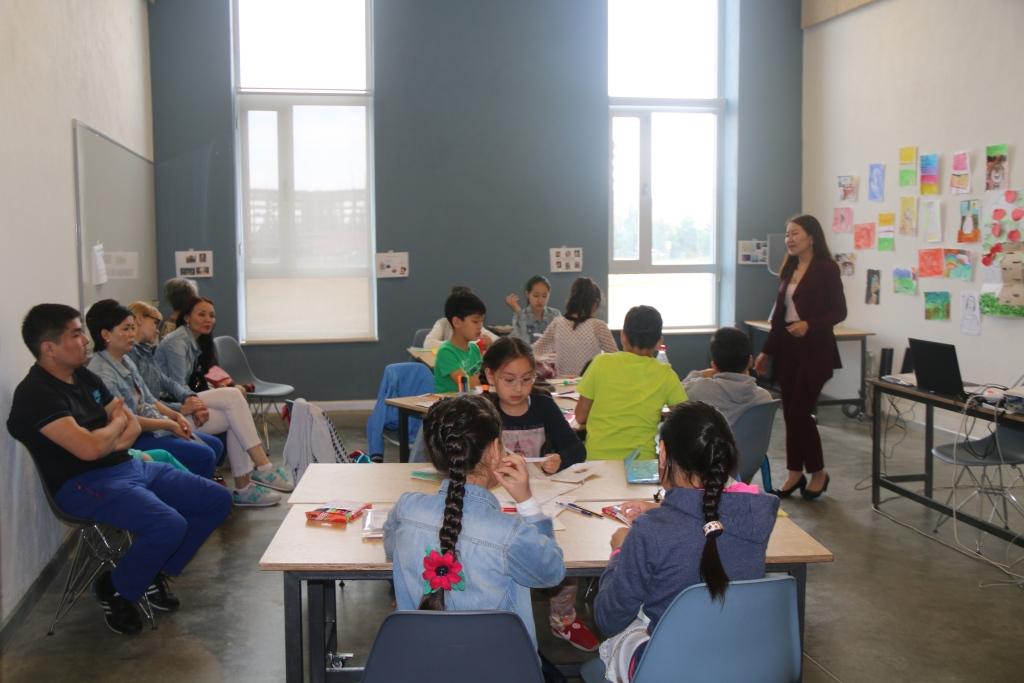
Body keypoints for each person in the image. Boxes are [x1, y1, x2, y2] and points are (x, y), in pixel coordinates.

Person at [6, 304, 232, 635]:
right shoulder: (36, 394)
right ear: (49, 347)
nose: (86, 340)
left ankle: (149, 571)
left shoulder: (83, 376)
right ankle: (115, 588)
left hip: (127, 466)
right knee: (168, 524)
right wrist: (112, 432)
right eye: (76, 334)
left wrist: (107, 438)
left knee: (216, 499)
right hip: (82, 485)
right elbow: (90, 449)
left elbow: (129, 423)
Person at [592, 402, 779, 680]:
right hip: (740, 661)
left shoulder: (649, 532)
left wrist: (619, 551)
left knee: (626, 625)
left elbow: (608, 618)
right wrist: (664, 510)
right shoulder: (757, 515)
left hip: (668, 669)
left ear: (663, 453)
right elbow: (704, 524)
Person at [383, 395, 565, 648]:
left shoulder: (406, 509)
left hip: (419, 659)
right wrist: (527, 503)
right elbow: (551, 573)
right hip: (500, 664)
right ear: (494, 450)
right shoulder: (510, 533)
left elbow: (391, 550)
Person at [480, 337, 596, 651]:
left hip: (539, 496)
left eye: (527, 379)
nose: (519, 388)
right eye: (509, 380)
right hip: (493, 497)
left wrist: (560, 459)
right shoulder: (483, 410)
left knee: (563, 550)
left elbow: (577, 448)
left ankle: (562, 618)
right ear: (490, 376)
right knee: (494, 551)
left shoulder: (543, 405)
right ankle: (497, 615)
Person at [155, 296, 293, 506]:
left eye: (211, 315)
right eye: (201, 314)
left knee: (233, 416)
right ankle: (264, 467)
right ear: (187, 317)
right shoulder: (177, 342)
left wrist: (211, 393)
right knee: (233, 396)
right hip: (169, 412)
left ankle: (244, 489)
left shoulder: (196, 342)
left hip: (185, 405)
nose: (208, 319)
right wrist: (198, 405)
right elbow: (177, 387)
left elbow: (196, 383)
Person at [754, 214, 847, 499]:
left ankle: (818, 472)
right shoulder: (789, 267)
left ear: (811, 237)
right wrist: (766, 351)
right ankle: (795, 472)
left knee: (799, 412)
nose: (789, 239)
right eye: (787, 234)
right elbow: (779, 316)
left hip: (815, 351)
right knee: (791, 414)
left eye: (795, 233)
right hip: (788, 350)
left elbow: (839, 311)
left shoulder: (826, 268)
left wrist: (810, 324)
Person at [85, 299, 222, 478]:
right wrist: (169, 424)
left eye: (133, 328)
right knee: (205, 455)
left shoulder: (125, 359)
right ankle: (192, 489)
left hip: (154, 426)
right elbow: (128, 420)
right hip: (135, 438)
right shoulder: (102, 373)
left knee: (215, 445)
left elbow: (149, 398)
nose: (132, 334)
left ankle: (198, 484)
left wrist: (176, 416)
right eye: (126, 329)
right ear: (106, 335)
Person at [575, 305, 686, 461]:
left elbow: (580, 417)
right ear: (659, 341)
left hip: (597, 463)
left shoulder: (600, 363)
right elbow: (684, 420)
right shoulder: (666, 374)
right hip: (641, 464)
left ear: (622, 336)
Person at [681, 326, 774, 425]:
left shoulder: (697, 390)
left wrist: (700, 374)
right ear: (750, 361)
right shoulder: (764, 398)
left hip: (712, 436)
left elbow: (677, 394)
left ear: (714, 365)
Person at [533, 277, 618, 376]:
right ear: (595, 303)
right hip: (589, 383)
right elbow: (615, 359)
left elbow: (535, 351)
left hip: (561, 383)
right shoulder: (598, 326)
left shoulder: (557, 323)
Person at [433, 289, 488, 393]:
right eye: (475, 321)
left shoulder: (474, 349)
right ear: (457, 322)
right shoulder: (446, 352)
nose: (480, 326)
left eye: (482, 321)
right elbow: (466, 384)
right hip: (451, 402)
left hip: (471, 400)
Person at [423, 286, 499, 349]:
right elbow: (428, 343)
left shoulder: (476, 325)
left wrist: (489, 343)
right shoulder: (443, 323)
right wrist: (458, 345)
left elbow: (498, 342)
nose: (479, 325)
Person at [505, 275, 560, 343]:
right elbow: (523, 341)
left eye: (544, 296)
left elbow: (559, 340)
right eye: (536, 296)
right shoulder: (521, 315)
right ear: (527, 294)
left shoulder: (555, 314)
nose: (540, 300)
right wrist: (516, 309)